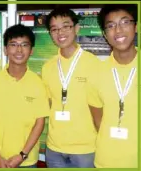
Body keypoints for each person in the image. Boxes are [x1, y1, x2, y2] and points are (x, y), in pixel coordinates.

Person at [0, 24, 50, 168]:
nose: (19, 50)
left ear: (31, 51)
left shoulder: (38, 84)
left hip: (27, 161)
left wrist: (22, 155)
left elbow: (39, 123)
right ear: (5, 50)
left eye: (24, 45)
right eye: (13, 44)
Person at [42, 7, 101, 168]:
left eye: (65, 26)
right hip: (54, 148)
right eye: (54, 29)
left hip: (86, 149)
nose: (60, 33)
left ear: (76, 28)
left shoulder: (93, 63)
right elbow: (48, 105)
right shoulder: (48, 67)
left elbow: (100, 109)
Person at [86, 4, 138, 168]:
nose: (118, 30)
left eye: (124, 22)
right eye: (111, 25)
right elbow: (98, 120)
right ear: (104, 34)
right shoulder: (96, 73)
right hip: (105, 161)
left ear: (135, 27)